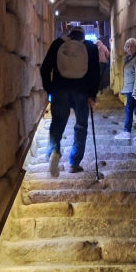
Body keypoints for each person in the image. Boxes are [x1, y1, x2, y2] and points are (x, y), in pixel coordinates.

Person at [40, 25, 100, 176]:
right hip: (82, 92)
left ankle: (55, 150)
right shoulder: (90, 47)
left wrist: (50, 89)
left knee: (58, 122)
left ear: (70, 35)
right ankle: (74, 162)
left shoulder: (57, 44)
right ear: (83, 37)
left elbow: (44, 69)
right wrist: (92, 94)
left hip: (60, 91)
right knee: (81, 125)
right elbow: (95, 72)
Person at [118, 37, 136, 138]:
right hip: (131, 89)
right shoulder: (130, 58)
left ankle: (127, 132)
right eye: (128, 46)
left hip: (134, 90)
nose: (129, 48)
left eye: (132, 46)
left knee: (129, 109)